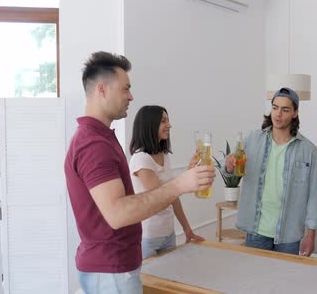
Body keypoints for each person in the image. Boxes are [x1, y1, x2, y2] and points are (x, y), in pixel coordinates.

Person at [64, 51, 215, 294]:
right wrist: (179, 185)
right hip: (111, 270)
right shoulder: (94, 144)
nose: (131, 96)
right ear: (101, 89)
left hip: (113, 267)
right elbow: (118, 213)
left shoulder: (100, 138)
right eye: (125, 89)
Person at [225, 87, 317, 256]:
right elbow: (233, 174)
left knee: (286, 281)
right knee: (254, 280)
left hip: (289, 233)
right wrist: (230, 166)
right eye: (275, 108)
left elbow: (313, 195)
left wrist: (311, 235)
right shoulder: (251, 139)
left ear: (295, 113)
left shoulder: (308, 150)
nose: (278, 114)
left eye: (285, 110)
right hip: (256, 230)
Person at [129, 105, 205, 259]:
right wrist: (186, 178)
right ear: (150, 124)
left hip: (168, 234)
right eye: (163, 121)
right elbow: (161, 198)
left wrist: (187, 230)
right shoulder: (141, 159)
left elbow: (173, 196)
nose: (169, 125)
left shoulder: (164, 155)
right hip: (148, 238)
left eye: (168, 120)